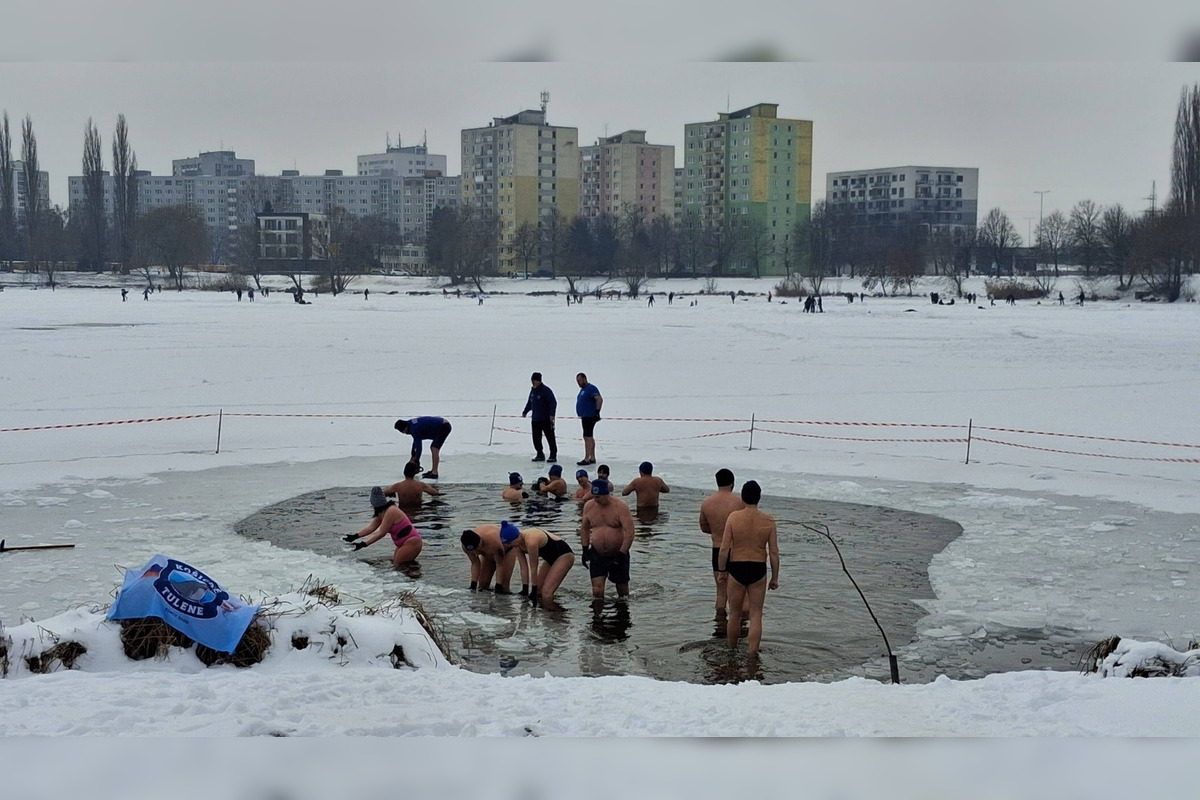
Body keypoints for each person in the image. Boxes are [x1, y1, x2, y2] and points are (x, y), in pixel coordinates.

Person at [717, 481, 780, 656]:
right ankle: (752, 655)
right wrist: (775, 577)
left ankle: (731, 650)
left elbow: (724, 548)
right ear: (759, 497)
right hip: (758, 567)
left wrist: (722, 571)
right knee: (756, 615)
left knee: (735, 614)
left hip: (737, 567)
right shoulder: (768, 519)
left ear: (743, 497)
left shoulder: (733, 517)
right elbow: (773, 552)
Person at [699, 468, 745, 616]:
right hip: (736, 550)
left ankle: (719, 625)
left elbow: (704, 527)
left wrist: (718, 532)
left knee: (721, 592)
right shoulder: (739, 502)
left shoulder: (707, 503)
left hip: (717, 550)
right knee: (741, 592)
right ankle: (742, 625)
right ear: (732, 483)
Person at [579, 479, 635, 598]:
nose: (596, 499)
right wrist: (584, 549)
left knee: (622, 591)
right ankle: (597, 615)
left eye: (599, 497)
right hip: (597, 553)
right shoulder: (589, 506)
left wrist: (622, 553)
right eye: (594, 496)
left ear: (606, 494)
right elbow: (584, 529)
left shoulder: (620, 506)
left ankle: (622, 614)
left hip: (618, 552)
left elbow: (630, 532)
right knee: (597, 592)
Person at [343, 486, 423, 566]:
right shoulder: (382, 512)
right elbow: (371, 528)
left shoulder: (391, 511)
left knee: (398, 567)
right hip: (403, 543)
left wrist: (364, 544)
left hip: (411, 543)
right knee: (397, 566)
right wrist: (354, 536)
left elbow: (382, 533)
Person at [510, 524, 576, 607]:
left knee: (546, 592)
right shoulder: (516, 545)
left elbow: (533, 567)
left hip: (564, 555)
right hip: (550, 559)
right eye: (507, 543)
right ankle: (544, 614)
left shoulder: (531, 541)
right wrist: (525, 589)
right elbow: (523, 568)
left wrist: (532, 589)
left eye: (510, 542)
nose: (509, 545)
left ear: (517, 536)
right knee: (538, 591)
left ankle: (555, 615)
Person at [460, 522, 521, 593]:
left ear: (481, 541)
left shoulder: (494, 543)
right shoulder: (465, 546)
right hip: (488, 555)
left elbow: (500, 564)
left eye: (477, 549)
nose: (475, 553)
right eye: (472, 551)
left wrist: (498, 585)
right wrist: (473, 584)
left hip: (506, 553)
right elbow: (475, 563)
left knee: (503, 588)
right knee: (482, 586)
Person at [522, 372, 558, 463]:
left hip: (546, 419)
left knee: (550, 437)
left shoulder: (546, 390)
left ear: (539, 381)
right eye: (532, 380)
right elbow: (530, 402)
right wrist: (525, 411)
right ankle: (540, 454)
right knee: (536, 438)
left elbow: (553, 402)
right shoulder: (532, 391)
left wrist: (551, 414)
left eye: (535, 380)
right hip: (535, 419)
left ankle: (553, 454)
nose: (533, 382)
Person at [575, 372, 602, 466]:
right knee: (589, 436)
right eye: (577, 381)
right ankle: (592, 457)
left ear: (584, 379)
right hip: (585, 416)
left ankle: (587, 458)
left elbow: (599, 399)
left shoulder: (591, 388)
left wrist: (597, 411)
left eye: (579, 381)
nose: (578, 383)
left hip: (590, 416)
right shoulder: (583, 390)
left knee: (587, 437)